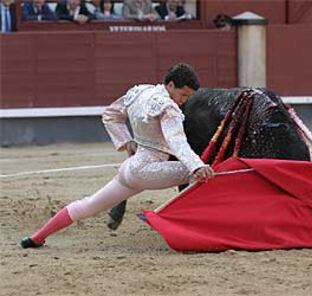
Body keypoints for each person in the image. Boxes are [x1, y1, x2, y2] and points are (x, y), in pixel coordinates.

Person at [20, 63, 214, 249]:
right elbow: (177, 141)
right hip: (148, 169)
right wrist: (196, 165)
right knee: (197, 175)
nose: (184, 101)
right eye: (183, 94)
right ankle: (173, 224)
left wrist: (127, 141)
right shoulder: (168, 107)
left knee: (88, 205)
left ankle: (37, 238)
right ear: (170, 85)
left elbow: (111, 115)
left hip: (130, 169)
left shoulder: (140, 93)